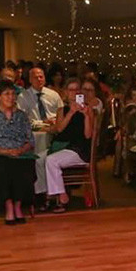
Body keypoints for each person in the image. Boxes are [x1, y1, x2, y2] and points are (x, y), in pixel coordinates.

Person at [0, 81, 36, 225]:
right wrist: (5, 151)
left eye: (13, 94)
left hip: (20, 154)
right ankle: (9, 207)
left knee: (22, 169)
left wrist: (20, 150)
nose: (11, 97)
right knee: (1, 169)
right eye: (7, 94)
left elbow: (30, 141)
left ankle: (18, 206)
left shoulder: (22, 116)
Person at [44, 80, 94, 213]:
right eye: (71, 90)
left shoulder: (88, 109)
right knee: (40, 159)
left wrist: (86, 116)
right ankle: (48, 196)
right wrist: (71, 113)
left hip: (78, 148)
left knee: (51, 161)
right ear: (65, 93)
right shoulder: (62, 110)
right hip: (63, 146)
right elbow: (60, 129)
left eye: (77, 90)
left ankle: (62, 197)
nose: (74, 93)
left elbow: (88, 135)